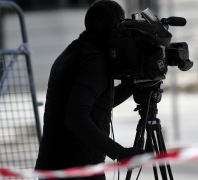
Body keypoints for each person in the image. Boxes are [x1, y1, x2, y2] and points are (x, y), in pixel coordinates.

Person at [34, 1, 146, 180]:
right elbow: (76, 117)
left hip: (57, 165)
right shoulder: (94, 62)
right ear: (115, 28)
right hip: (76, 169)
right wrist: (120, 153)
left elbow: (97, 102)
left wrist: (132, 85)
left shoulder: (75, 51)